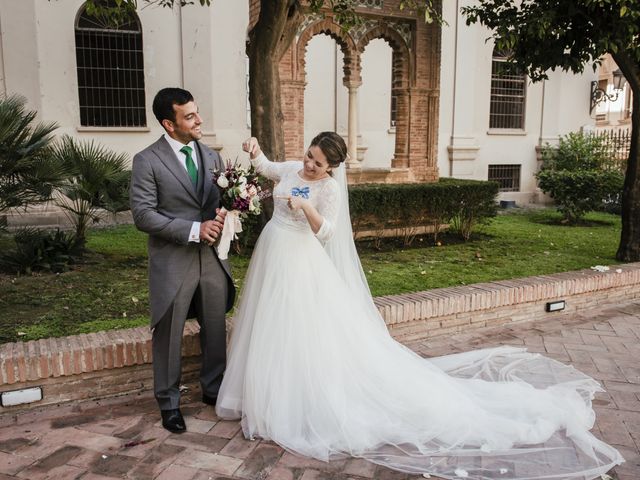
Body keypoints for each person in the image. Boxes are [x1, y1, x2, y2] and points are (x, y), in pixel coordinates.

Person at [215, 132, 624, 479]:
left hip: (301, 261)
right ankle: (266, 393)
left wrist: (305, 207)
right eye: (308, 156)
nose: (308, 165)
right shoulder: (292, 168)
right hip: (273, 252)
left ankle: (302, 399)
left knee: (302, 327)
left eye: (318, 163)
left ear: (331, 169)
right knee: (270, 325)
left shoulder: (329, 190)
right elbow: (270, 168)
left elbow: (329, 234)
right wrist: (254, 152)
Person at [130, 88, 235, 434]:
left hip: (212, 260)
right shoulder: (147, 161)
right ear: (169, 124)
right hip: (173, 260)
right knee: (169, 333)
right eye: (189, 116)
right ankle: (169, 402)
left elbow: (221, 202)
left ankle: (213, 388)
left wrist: (227, 215)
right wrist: (193, 229)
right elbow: (143, 215)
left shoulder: (212, 156)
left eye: (197, 112)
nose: (199, 120)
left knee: (215, 328)